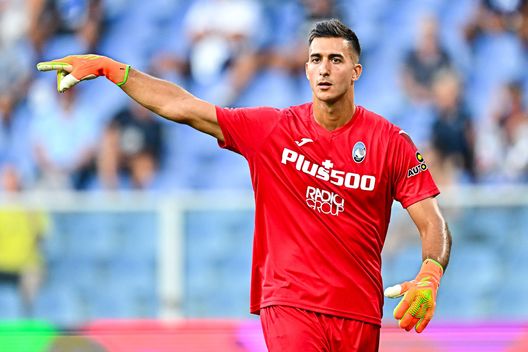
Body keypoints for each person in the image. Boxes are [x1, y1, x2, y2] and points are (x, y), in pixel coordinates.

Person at [37, 19, 452, 351]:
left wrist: (430, 272)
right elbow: (183, 106)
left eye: (335, 60)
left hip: (359, 310)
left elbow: (431, 219)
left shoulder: (389, 143)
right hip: (291, 304)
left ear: (356, 70)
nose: (324, 69)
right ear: (306, 68)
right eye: (315, 59)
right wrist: (113, 69)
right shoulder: (272, 129)